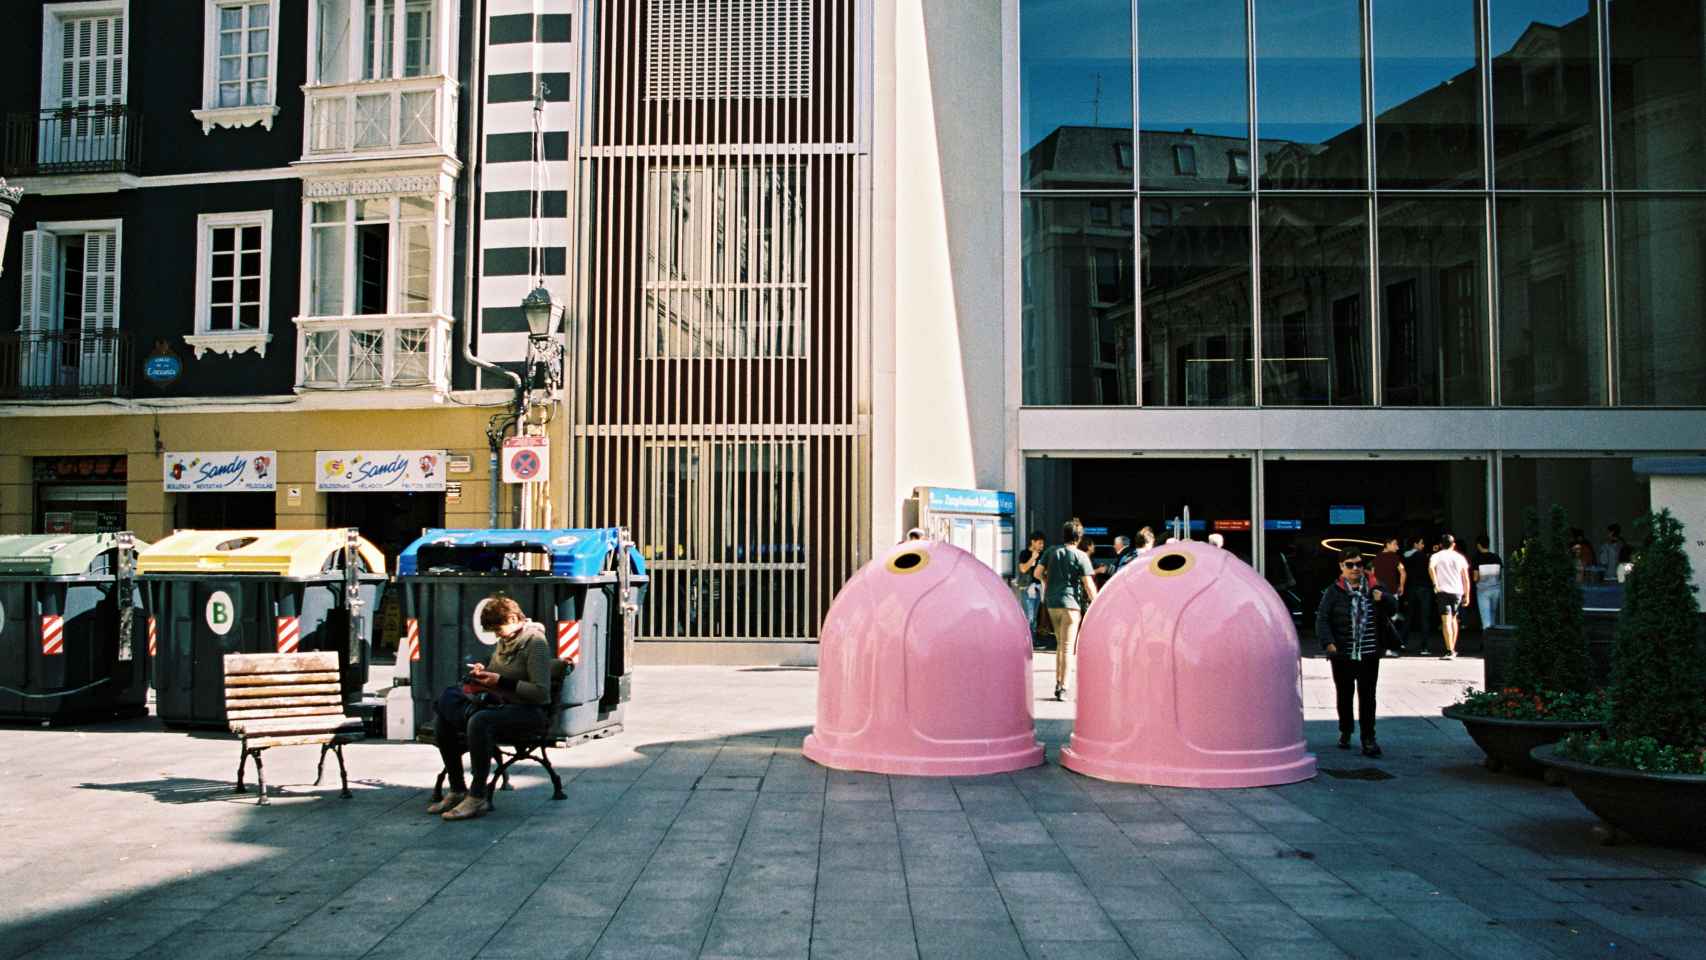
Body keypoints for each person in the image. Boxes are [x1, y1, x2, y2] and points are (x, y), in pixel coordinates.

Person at [429, 595, 553, 821]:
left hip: (528, 712)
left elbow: (541, 692)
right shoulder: (505, 641)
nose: (496, 634)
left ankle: (478, 796)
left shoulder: (535, 643)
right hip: (500, 703)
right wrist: (483, 671)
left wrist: (499, 681)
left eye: (498, 628)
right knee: (443, 718)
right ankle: (457, 788)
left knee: (479, 721)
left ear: (514, 618)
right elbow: (497, 671)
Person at [1317, 549, 1396, 758]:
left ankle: (1368, 739)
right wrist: (1329, 643)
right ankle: (1346, 730)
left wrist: (1384, 598)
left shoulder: (1374, 588)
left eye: (1359, 564)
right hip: (1342, 654)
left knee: (1368, 697)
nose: (1355, 569)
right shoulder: (1332, 592)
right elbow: (1323, 619)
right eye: (1350, 565)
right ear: (1341, 567)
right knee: (1344, 695)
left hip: (1369, 654)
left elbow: (1394, 608)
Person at [1038, 518, 1099, 701]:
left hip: (1053, 603)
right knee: (1067, 647)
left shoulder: (1051, 551)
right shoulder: (1081, 556)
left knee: (1059, 645)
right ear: (1079, 537)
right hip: (1071, 605)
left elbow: (1037, 573)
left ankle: (1058, 682)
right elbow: (1089, 585)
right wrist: (1097, 603)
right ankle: (1063, 687)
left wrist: (1047, 582)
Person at [1428, 533, 1472, 660]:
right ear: (1454, 544)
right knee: (1453, 619)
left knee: (1445, 620)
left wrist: (1435, 583)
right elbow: (1465, 578)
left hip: (1442, 591)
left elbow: (1431, 568)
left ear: (1441, 545)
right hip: (1457, 591)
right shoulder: (1460, 557)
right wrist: (1467, 595)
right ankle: (1453, 648)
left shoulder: (1436, 556)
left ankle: (1450, 650)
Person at [1370, 537, 1407, 652]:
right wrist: (1401, 586)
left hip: (1379, 593)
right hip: (1391, 592)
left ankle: (1381, 645)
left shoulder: (1377, 557)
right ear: (1387, 544)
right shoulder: (1394, 557)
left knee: (1381, 618)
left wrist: (1373, 588)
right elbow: (1403, 571)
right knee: (1391, 619)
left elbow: (1372, 574)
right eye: (1395, 544)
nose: (1397, 547)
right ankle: (1391, 646)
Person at [1401, 535, 1432, 655]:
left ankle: (1402, 642)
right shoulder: (1423, 556)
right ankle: (1424, 647)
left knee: (1408, 616)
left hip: (1411, 588)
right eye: (1421, 543)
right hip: (1424, 588)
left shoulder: (1405, 556)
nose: (1423, 546)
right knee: (1424, 617)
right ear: (1415, 544)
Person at [1016, 531, 1046, 638]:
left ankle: (1032, 640)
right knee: (1029, 616)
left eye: (1043, 544)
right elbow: (1023, 569)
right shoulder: (1024, 553)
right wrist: (1033, 558)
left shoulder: (1042, 555)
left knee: (1034, 616)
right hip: (1026, 588)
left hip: (1037, 588)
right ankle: (1027, 640)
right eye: (1039, 543)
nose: (1041, 546)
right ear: (1032, 542)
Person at [1471, 534, 1503, 631]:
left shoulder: (1477, 559)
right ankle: (1492, 640)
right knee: (1492, 616)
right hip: (1495, 589)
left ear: (1479, 545)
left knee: (1486, 620)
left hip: (1483, 590)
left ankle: (1487, 642)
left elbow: (1475, 578)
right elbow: (1499, 575)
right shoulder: (1496, 557)